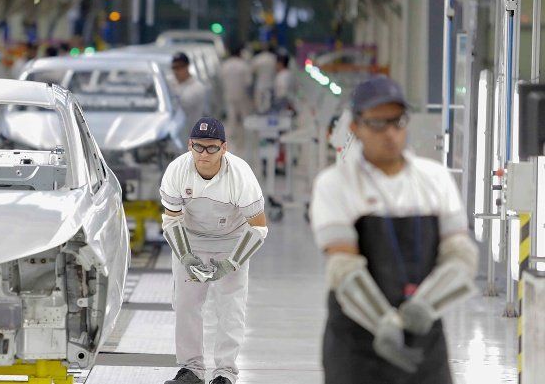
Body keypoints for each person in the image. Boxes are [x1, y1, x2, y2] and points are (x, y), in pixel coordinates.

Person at [309, 76, 478, 384]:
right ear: (355, 127)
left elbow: (461, 254)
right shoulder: (335, 184)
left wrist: (428, 304)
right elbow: (343, 266)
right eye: (377, 123)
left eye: (397, 121)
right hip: (358, 341)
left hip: (424, 334)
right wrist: (382, 322)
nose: (390, 133)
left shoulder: (435, 179)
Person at [160, 117, 268, 384]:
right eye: (198, 146)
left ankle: (225, 372)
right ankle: (191, 369)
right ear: (190, 145)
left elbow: (258, 227)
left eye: (211, 148)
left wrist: (232, 263)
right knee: (185, 305)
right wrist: (185, 256)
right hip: (191, 241)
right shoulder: (176, 171)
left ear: (224, 148)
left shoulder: (240, 175)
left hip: (231, 242)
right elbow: (171, 219)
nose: (204, 154)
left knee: (230, 308)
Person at [220, 45, 253, 146]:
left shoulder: (225, 65)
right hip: (241, 94)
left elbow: (221, 80)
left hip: (229, 94)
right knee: (244, 115)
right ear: (240, 53)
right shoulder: (243, 65)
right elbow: (248, 82)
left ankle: (231, 138)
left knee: (231, 116)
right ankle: (245, 136)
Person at [169, 53, 208, 133]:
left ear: (187, 66)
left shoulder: (197, 87)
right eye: (174, 68)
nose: (176, 71)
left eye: (180, 67)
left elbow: (183, 105)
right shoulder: (171, 84)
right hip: (179, 133)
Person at [250, 45, 276, 114]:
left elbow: (252, 71)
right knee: (269, 106)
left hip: (260, 85)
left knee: (259, 106)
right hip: (271, 84)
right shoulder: (273, 58)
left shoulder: (257, 59)